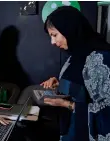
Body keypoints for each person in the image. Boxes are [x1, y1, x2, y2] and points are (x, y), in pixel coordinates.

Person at [41, 6, 110, 141]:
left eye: (54, 35)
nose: (53, 42)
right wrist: (60, 85)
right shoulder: (76, 54)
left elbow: (106, 112)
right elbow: (83, 88)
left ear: (69, 29)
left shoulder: (99, 58)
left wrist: (67, 105)